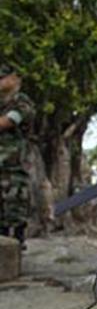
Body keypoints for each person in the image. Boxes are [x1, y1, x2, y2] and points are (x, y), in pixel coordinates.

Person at [0, 64, 35, 249]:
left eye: (3, 77)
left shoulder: (21, 102)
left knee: (13, 220)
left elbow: (8, 121)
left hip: (13, 172)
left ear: (15, 78)